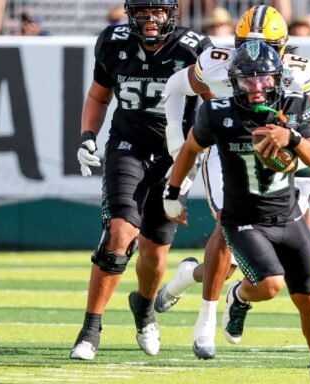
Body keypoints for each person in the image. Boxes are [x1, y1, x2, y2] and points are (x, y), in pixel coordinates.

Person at [155, 5, 310, 360]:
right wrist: (176, 141)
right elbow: (177, 85)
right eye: (248, 45)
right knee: (226, 224)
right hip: (225, 148)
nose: (257, 56)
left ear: (282, 47)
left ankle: (188, 277)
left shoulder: (296, 74)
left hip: (272, 152)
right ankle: (206, 320)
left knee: (237, 264)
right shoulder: (216, 63)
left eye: (268, 47)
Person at [69, 0, 211, 360]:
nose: (151, 19)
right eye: (143, 12)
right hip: (127, 146)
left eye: (158, 11)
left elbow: (212, 107)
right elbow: (98, 95)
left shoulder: (193, 48)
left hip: (175, 156)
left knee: (154, 252)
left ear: (171, 13)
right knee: (119, 233)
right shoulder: (113, 42)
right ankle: (90, 330)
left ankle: (144, 309)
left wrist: (197, 161)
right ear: (131, 14)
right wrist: (88, 135)